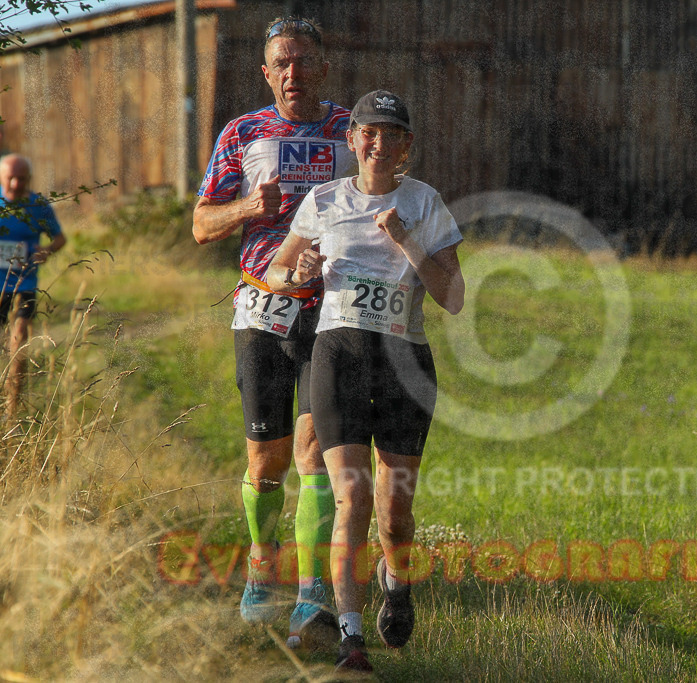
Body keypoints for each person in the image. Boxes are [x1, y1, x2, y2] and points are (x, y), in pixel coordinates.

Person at [266, 90, 465, 673]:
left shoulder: (426, 204)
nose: (378, 143)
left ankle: (395, 580)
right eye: (367, 133)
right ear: (351, 139)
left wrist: (406, 238)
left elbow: (453, 297)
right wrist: (298, 272)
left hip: (405, 360)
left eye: (391, 134)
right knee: (351, 497)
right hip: (339, 355)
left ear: (406, 146)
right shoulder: (323, 201)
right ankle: (351, 636)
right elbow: (278, 270)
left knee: (394, 513)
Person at [192, 16, 356, 651]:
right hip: (262, 311)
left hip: (332, 311)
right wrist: (248, 209)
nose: (294, 74)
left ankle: (312, 587)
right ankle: (263, 564)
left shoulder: (353, 130)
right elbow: (202, 224)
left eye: (305, 62)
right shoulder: (243, 133)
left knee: (315, 453)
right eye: (281, 64)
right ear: (266, 73)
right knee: (266, 459)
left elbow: (385, 197)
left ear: (323, 67)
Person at [0, 154, 66, 422]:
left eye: (22, 179)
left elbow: (60, 238)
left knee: (19, 342)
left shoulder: (37, 205)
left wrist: (47, 251)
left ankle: (11, 409)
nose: (15, 184)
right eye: (10, 179)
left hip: (25, 282)